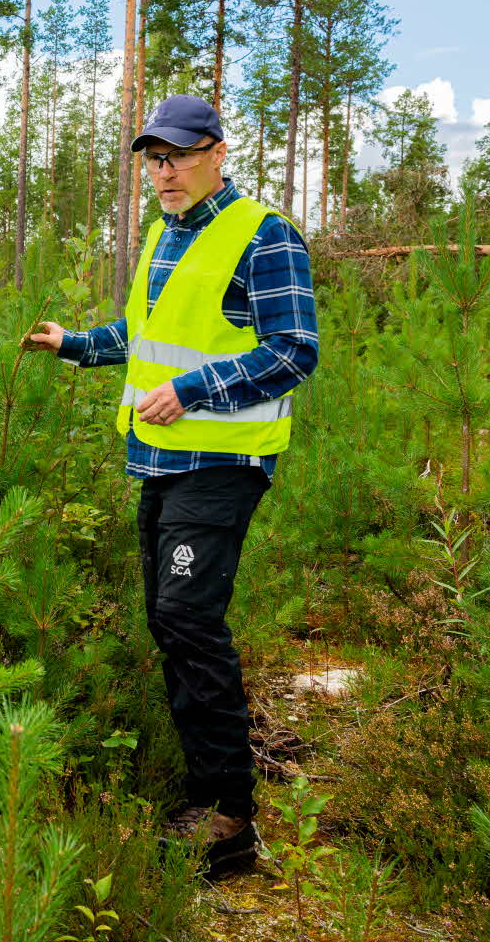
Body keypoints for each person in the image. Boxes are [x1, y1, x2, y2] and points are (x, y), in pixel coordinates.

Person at [23, 93, 318, 879]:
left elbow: (295, 350)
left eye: (180, 155)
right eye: (154, 159)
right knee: (170, 620)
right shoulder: (163, 234)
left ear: (218, 151)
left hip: (223, 464)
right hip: (159, 461)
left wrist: (196, 391)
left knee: (188, 617)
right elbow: (146, 334)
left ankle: (228, 816)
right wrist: (76, 345)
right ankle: (207, 796)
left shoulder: (264, 236)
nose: (165, 171)